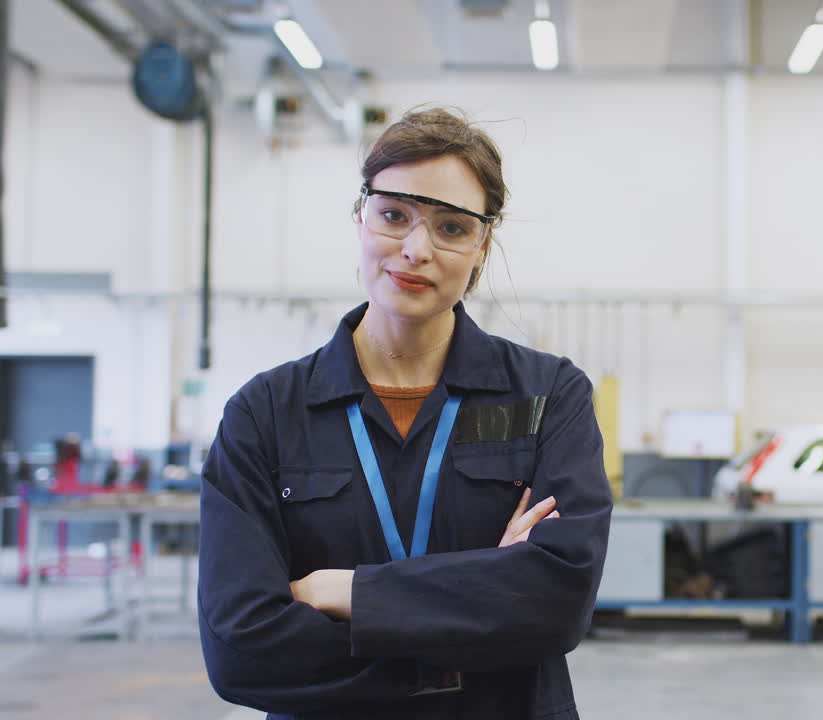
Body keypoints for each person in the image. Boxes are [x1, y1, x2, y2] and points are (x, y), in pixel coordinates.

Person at [198, 107, 613, 719]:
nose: (417, 250)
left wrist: (345, 591)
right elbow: (241, 649)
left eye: (452, 227)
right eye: (394, 216)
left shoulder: (548, 396)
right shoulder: (265, 414)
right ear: (360, 217)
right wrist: (473, 623)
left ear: (481, 246)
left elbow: (557, 602)